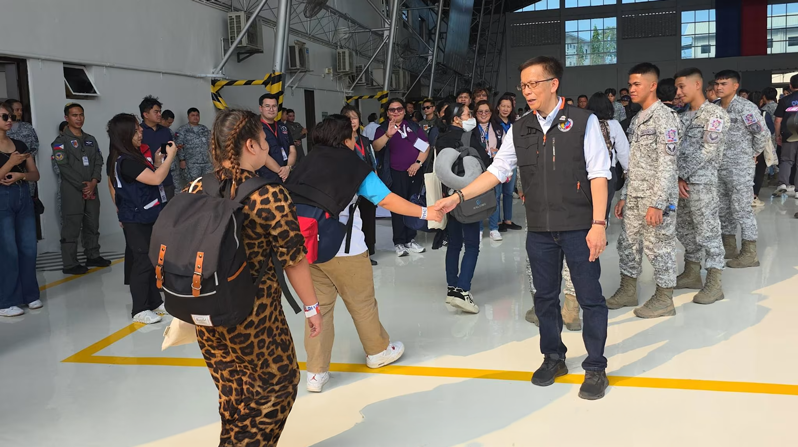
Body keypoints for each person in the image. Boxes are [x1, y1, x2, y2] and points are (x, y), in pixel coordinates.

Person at [434, 56, 611, 400]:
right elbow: (497, 171)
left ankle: (595, 366)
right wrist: (459, 196)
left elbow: (599, 174)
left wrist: (599, 224)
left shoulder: (582, 121)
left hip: (579, 226)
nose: (527, 91)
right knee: (544, 297)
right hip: (540, 230)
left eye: (533, 84)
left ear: (553, 83)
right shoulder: (521, 128)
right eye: (523, 86)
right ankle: (554, 356)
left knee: (590, 298)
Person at [185, 109, 322, 445]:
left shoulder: (198, 186)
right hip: (254, 315)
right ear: (250, 145)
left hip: (208, 312)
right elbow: (293, 259)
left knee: (233, 392)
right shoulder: (269, 194)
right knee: (278, 386)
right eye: (263, 140)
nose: (266, 146)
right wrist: (311, 307)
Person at [295, 114, 442, 393]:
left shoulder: (306, 163)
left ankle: (315, 373)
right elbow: (387, 199)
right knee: (362, 304)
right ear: (346, 139)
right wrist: (426, 212)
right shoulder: (355, 166)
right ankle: (377, 352)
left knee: (318, 312)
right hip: (347, 250)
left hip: (309, 251)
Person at [526, 91, 630, 331]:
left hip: (582, 183)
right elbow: (625, 158)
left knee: (576, 242)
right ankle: (571, 304)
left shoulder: (579, 125)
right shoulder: (611, 126)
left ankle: (569, 304)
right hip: (602, 180)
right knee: (585, 241)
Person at [608, 63, 681, 319]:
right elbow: (634, 162)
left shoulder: (664, 117)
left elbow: (668, 163)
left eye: (636, 84)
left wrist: (658, 203)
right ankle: (628, 290)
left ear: (652, 85)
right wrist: (625, 195)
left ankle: (664, 299)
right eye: (630, 84)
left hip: (655, 198)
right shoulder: (638, 119)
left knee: (659, 247)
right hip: (635, 195)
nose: (631, 89)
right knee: (627, 244)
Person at [671, 67, 729, 305]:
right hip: (681, 184)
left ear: (697, 85)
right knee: (684, 229)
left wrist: (681, 175)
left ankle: (715, 283)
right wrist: (676, 178)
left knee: (708, 231)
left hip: (702, 184)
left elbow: (708, 150)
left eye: (681, 87)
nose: (678, 92)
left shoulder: (715, 115)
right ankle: (692, 272)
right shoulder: (682, 117)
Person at [106, 114, 171, 324]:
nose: (141, 131)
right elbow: (156, 178)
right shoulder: (125, 161)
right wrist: (171, 157)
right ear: (126, 134)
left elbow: (149, 177)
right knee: (142, 261)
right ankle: (139, 309)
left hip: (147, 214)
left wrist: (160, 160)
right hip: (135, 218)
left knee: (152, 260)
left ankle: (153, 301)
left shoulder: (134, 156)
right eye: (136, 129)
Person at [715, 70, 769, 268]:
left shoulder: (746, 108)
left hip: (740, 168)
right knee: (723, 209)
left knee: (742, 210)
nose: (719, 87)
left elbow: (762, 135)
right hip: (717, 168)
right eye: (717, 83)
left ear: (735, 86)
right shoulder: (714, 108)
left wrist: (751, 154)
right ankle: (729, 247)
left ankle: (749, 252)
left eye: (724, 83)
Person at [436, 102, 486, 313]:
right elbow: (485, 162)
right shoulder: (467, 138)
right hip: (469, 196)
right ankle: (463, 290)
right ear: (456, 119)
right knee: (472, 245)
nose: (470, 117)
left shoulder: (441, 139)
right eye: (467, 114)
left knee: (454, 243)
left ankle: (451, 286)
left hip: (449, 196)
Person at [51, 103, 111, 275]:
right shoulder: (60, 143)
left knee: (92, 223)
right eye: (74, 115)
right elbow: (64, 167)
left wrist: (93, 182)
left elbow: (99, 161)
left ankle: (93, 255)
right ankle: (70, 264)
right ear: (67, 118)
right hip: (72, 191)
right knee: (72, 226)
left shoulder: (91, 139)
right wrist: (83, 185)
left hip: (91, 188)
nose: (79, 118)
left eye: (81, 115)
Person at [372, 98, 430, 257]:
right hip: (395, 174)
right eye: (392, 110)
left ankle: (410, 239)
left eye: (399, 109)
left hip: (414, 172)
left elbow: (424, 148)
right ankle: (399, 242)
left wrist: (417, 164)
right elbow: (376, 147)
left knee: (413, 205)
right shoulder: (382, 129)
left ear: (405, 111)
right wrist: (388, 135)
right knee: (398, 208)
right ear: (387, 112)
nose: (396, 112)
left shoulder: (412, 127)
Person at [0, 102, 42, 317]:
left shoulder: (20, 144)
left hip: (22, 194)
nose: (9, 120)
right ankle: (7, 300)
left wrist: (21, 175)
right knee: (8, 250)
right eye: (4, 117)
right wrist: (10, 164)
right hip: (2, 199)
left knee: (28, 247)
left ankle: (30, 294)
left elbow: (35, 174)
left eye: (9, 116)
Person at [341, 104, 379, 266]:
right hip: (350, 187)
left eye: (354, 117)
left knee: (368, 219)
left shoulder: (364, 140)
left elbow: (373, 161)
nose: (352, 121)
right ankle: (352, 252)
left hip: (367, 185)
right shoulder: (341, 141)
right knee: (352, 220)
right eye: (348, 118)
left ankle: (368, 252)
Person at [473, 100, 504, 241]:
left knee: (495, 198)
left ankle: (494, 228)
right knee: (478, 198)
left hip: (494, 167)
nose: (483, 114)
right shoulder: (471, 129)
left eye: (486, 111)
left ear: (491, 113)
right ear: (476, 113)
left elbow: (505, 149)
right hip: (477, 167)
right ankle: (478, 229)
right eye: (480, 111)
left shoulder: (498, 129)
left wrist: (497, 151)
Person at [139, 95, 177, 198]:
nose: (160, 114)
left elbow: (167, 153)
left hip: (166, 180)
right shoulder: (138, 132)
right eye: (156, 112)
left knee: (169, 212)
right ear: (146, 114)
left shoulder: (165, 131)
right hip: (146, 181)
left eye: (160, 111)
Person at [257, 93, 297, 183]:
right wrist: (281, 172)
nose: (271, 109)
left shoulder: (282, 127)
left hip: (287, 175)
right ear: (261, 108)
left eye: (274, 106)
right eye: (267, 106)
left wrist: (288, 167)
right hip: (267, 178)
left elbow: (292, 150)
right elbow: (262, 155)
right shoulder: (255, 127)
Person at [4, 99, 40, 197]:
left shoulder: (27, 127)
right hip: (6, 171)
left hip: (26, 169)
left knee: (27, 198)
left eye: (21, 110)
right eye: (17, 110)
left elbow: (35, 145)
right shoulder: (3, 128)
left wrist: (25, 158)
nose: (20, 112)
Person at [774, 74, 798, 199]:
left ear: (790, 86)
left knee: (786, 160)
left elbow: (778, 120)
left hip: (789, 135)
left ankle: (782, 184)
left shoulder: (784, 100)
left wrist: (778, 135)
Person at [173, 108, 212, 183]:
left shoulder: (204, 128)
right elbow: (179, 146)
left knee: (208, 183)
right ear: (188, 117)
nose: (195, 117)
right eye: (193, 115)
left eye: (197, 115)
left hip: (206, 162)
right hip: (192, 164)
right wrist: (182, 160)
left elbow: (210, 144)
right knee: (193, 184)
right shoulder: (182, 130)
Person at [751, 90, 775, 206]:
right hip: (760, 147)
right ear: (761, 101)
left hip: (744, 148)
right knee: (759, 171)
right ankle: (754, 195)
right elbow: (771, 130)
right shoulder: (763, 114)